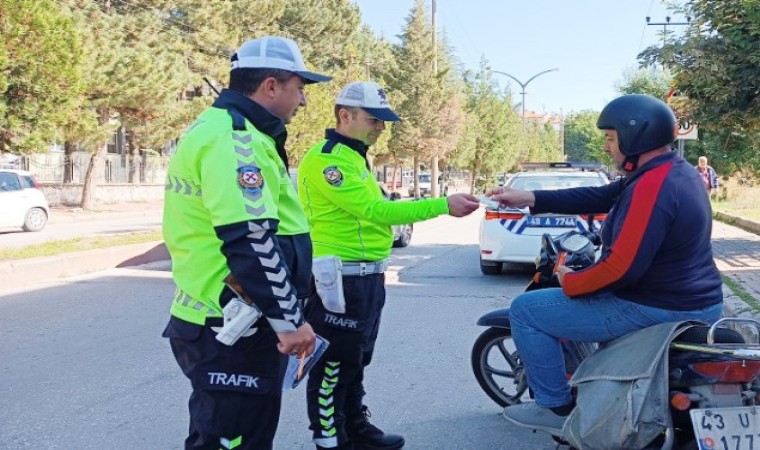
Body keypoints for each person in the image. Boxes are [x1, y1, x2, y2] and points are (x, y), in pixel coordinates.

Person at [487, 94, 724, 436]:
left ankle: (555, 407)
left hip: (657, 307)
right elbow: (601, 196)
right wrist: (532, 198)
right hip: (701, 301)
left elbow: (620, 270)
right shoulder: (671, 172)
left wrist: (569, 280)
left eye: (611, 139)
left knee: (526, 310)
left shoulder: (653, 187)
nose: (607, 147)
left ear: (635, 137)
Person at [161, 36, 331, 450]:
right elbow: (251, 239)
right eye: (299, 87)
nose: (303, 101)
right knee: (233, 440)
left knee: (225, 434)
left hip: (225, 317)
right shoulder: (236, 139)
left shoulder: (228, 129)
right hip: (231, 324)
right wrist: (289, 321)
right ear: (270, 86)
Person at [297, 81, 480, 450]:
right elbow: (375, 211)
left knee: (357, 359)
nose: (380, 127)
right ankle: (329, 439)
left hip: (366, 277)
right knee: (333, 363)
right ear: (344, 116)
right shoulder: (328, 158)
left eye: (383, 121)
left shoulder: (355, 157)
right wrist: (443, 205)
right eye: (373, 119)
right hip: (339, 280)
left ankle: (355, 427)